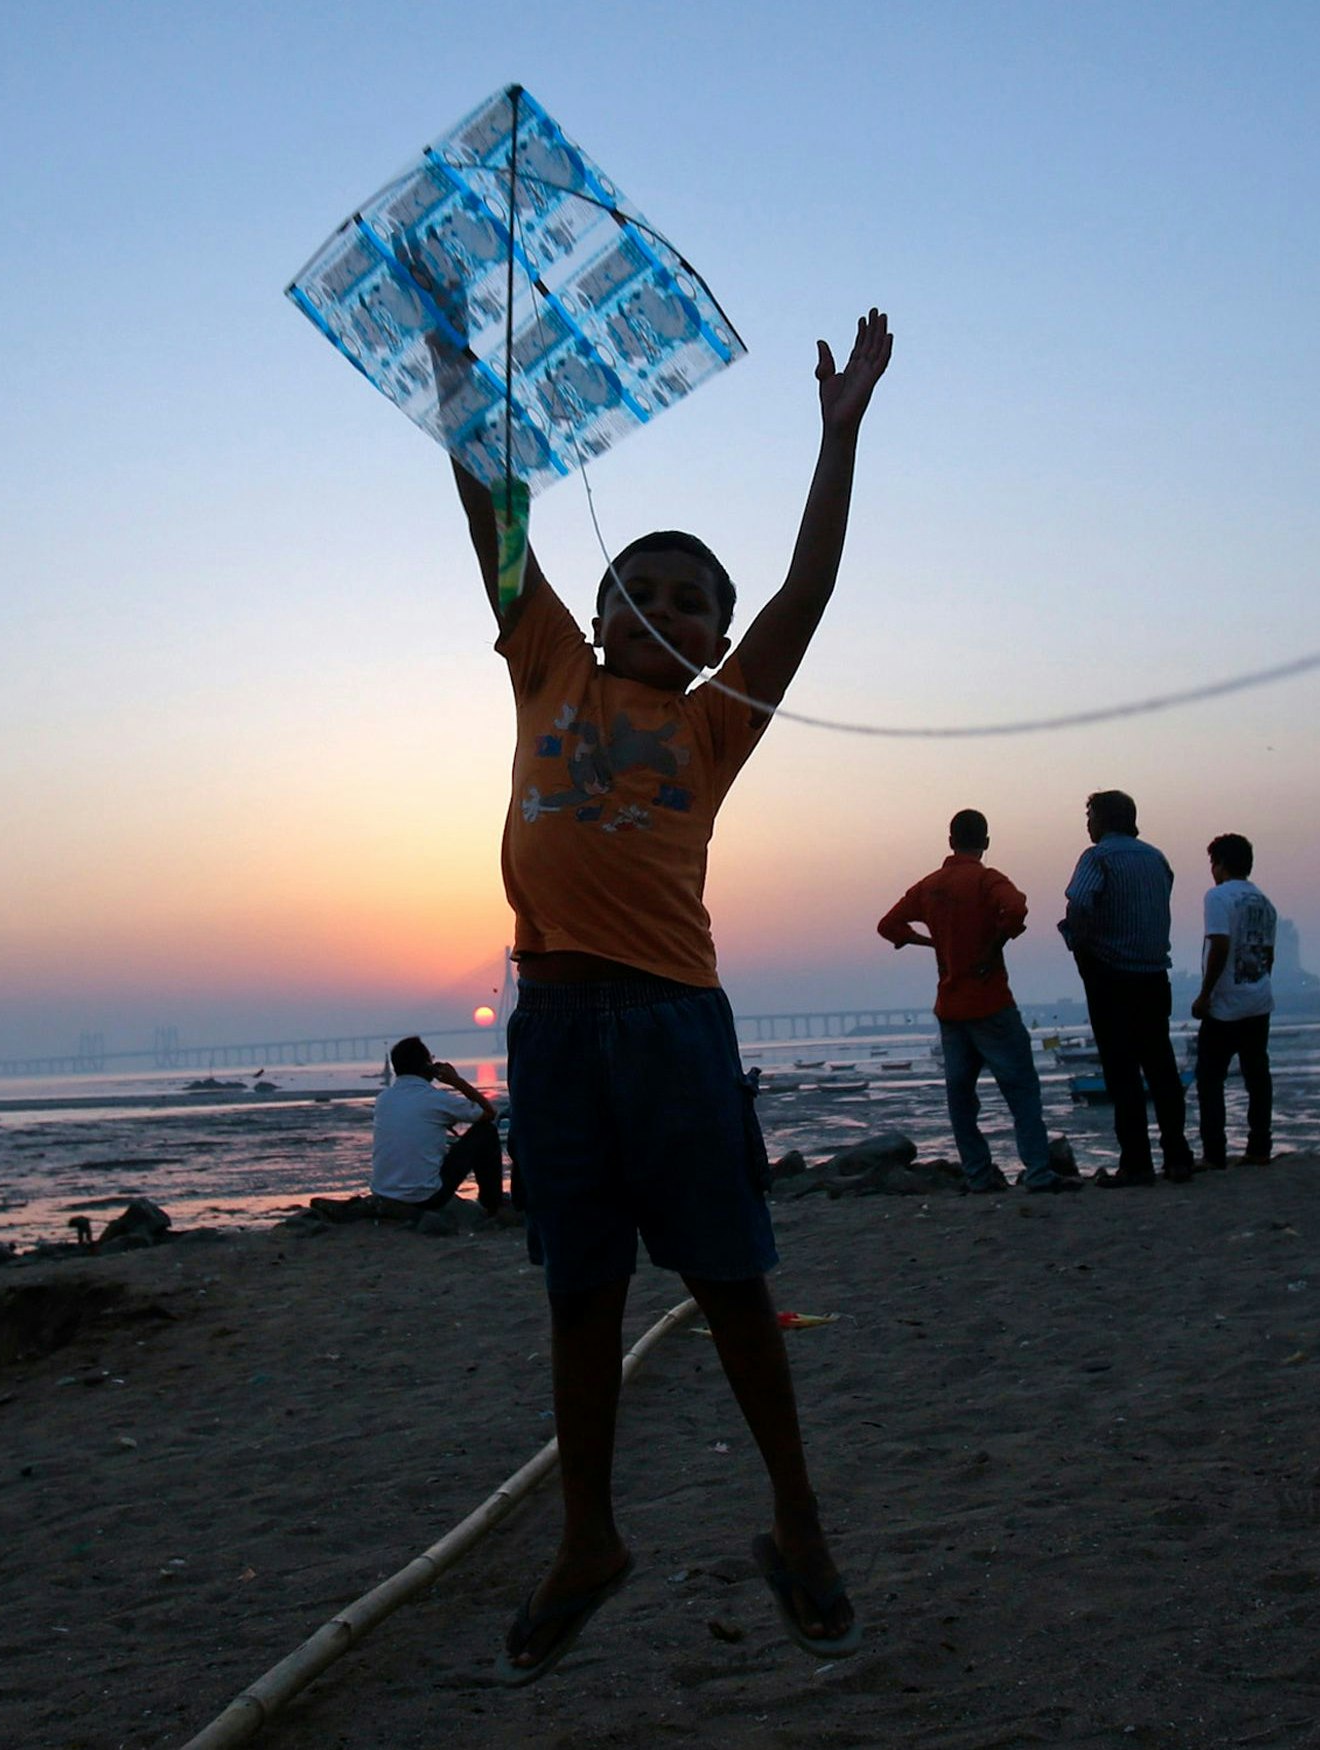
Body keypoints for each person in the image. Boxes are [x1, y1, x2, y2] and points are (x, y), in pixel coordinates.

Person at [443, 310, 889, 1679]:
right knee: (579, 1293)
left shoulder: (715, 719)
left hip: (674, 1025)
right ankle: (588, 1534)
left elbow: (809, 588)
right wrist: (465, 378)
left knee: (731, 1282)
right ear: (599, 605)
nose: (675, 608)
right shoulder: (548, 665)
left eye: (700, 601)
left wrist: (840, 431)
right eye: (650, 583)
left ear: (714, 644)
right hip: (558, 1030)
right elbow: (493, 512)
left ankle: (800, 1522)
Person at [878, 808, 1054, 1193]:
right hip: (991, 1002)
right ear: (986, 843)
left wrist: (929, 942)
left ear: (950, 840)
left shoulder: (930, 886)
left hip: (951, 1008)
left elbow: (888, 925)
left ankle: (977, 1173)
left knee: (960, 1097)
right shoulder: (987, 880)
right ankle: (1039, 1171)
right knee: (1021, 1089)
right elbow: (1017, 908)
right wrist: (994, 945)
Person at [1059, 790, 1197, 1185]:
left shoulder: (1098, 857)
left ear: (1102, 820)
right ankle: (1178, 1157)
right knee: (1162, 1068)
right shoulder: (1157, 859)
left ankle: (1136, 1163)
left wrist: (1081, 945)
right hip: (1154, 977)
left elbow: (1080, 902)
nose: (1087, 824)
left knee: (1122, 1072)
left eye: (1089, 817)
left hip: (1112, 976)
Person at [1188, 833, 1276, 1167]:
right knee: (1257, 1077)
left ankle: (1214, 1152)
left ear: (1220, 864)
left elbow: (1220, 944)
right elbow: (1269, 953)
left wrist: (1205, 994)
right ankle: (1259, 1147)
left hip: (1225, 1006)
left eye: (1213, 862)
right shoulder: (1265, 903)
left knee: (1210, 1079)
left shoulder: (1218, 897)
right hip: (1259, 1001)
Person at [366, 1035, 503, 1214]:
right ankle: (492, 1205)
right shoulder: (436, 1099)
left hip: (383, 1193)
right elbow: (489, 1112)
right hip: (426, 1198)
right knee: (486, 1132)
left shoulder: (383, 1099)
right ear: (427, 1067)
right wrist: (456, 1081)